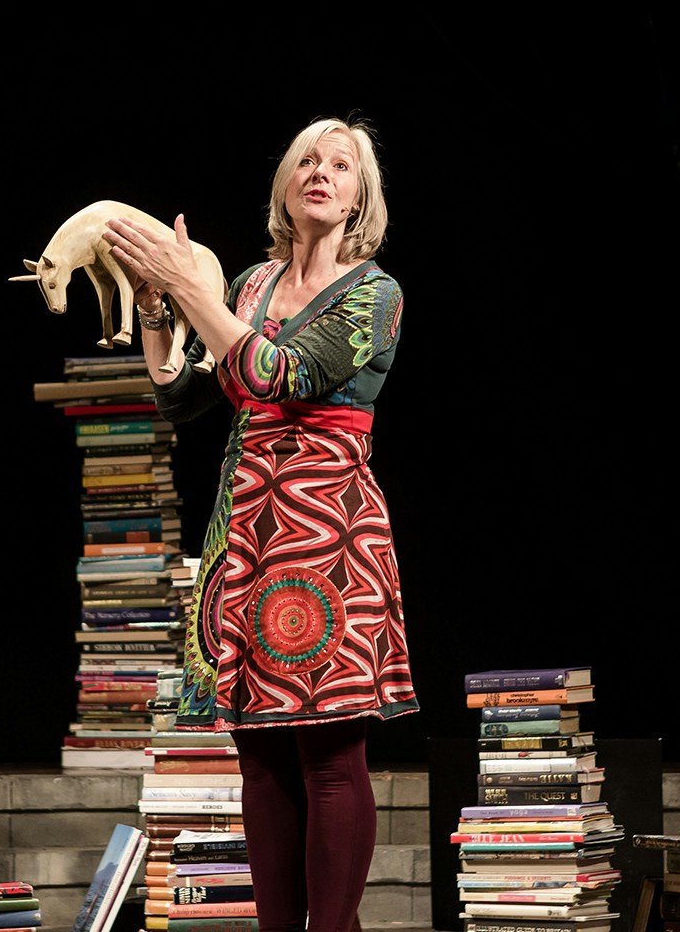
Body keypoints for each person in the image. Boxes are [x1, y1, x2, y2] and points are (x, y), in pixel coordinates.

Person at [103, 116, 417, 932]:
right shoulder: (249, 286)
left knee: (328, 747)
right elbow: (181, 394)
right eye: (306, 160)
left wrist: (192, 289)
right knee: (259, 744)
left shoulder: (374, 295)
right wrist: (154, 303)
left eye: (340, 165)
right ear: (284, 184)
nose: (321, 172)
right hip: (245, 523)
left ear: (359, 197)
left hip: (327, 531)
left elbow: (278, 374)